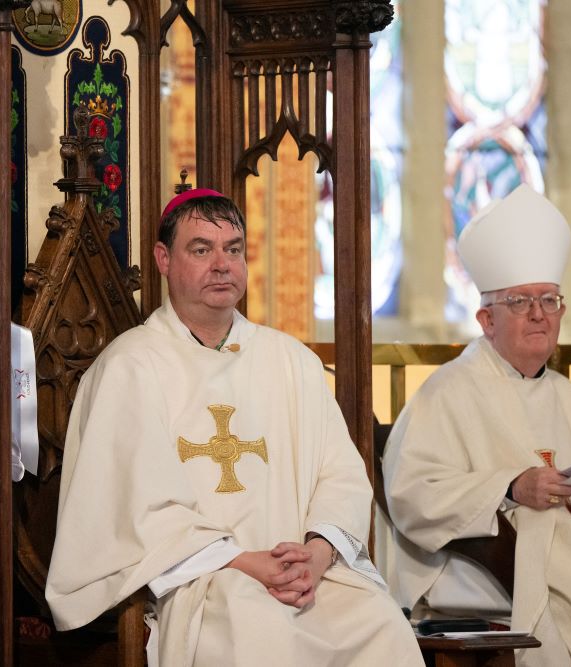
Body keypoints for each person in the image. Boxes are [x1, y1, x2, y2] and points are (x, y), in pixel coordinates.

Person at [46, 189, 422, 666]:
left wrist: (319, 553)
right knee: (256, 625)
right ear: (164, 259)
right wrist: (244, 562)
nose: (222, 264)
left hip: (300, 574)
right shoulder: (131, 366)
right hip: (201, 581)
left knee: (380, 623)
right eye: (201, 249)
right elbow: (131, 513)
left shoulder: (292, 362)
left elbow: (341, 477)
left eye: (234, 249)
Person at [383, 184, 571, 667]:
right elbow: (411, 494)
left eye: (549, 300)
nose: (540, 314)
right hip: (487, 581)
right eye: (521, 302)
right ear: (486, 319)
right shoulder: (445, 394)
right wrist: (509, 487)